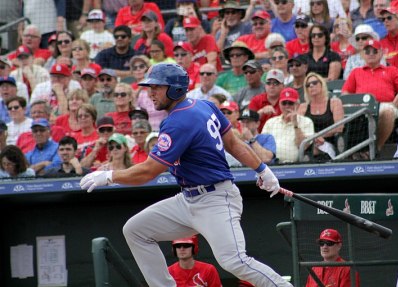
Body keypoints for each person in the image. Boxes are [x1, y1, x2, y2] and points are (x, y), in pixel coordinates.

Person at [79, 63, 292, 287]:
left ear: (175, 89)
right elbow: (232, 143)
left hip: (215, 199)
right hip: (188, 199)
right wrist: (263, 170)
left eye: (157, 87)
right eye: (149, 87)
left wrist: (111, 176)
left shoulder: (179, 120)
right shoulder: (204, 106)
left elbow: (149, 171)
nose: (150, 93)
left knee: (234, 261)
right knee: (135, 230)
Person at [342, 39, 398, 152]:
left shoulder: (391, 70)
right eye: (367, 51)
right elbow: (346, 92)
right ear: (362, 54)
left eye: (374, 51)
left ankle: (376, 148)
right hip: (362, 106)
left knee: (388, 112)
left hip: (384, 105)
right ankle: (353, 151)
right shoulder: (356, 72)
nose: (371, 54)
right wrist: (352, 104)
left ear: (381, 53)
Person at [298, 73, 344, 161]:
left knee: (313, 150)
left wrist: (319, 135)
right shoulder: (303, 107)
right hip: (308, 142)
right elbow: (299, 128)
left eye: (315, 83)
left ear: (322, 84)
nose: (311, 85)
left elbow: (339, 127)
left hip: (330, 141)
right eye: (308, 85)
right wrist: (313, 137)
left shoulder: (334, 102)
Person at [262, 87, 314, 163]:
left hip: (295, 165)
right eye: (284, 103)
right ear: (279, 104)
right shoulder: (270, 122)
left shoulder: (306, 121)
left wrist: (295, 125)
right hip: (271, 164)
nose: (287, 106)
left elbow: (304, 146)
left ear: (298, 105)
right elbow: (262, 146)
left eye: (290, 103)